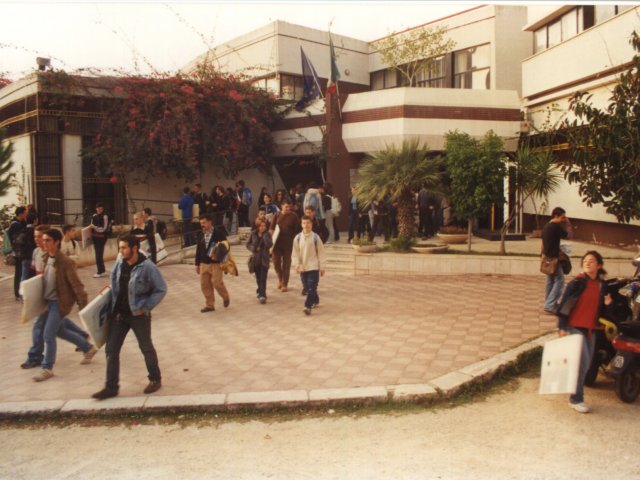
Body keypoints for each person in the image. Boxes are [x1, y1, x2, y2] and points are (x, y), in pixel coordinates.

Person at [92, 234, 167, 399]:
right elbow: (116, 280)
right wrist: (109, 290)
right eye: (120, 248)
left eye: (124, 248)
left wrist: (146, 307)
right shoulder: (120, 262)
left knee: (146, 347)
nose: (121, 251)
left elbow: (161, 289)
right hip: (119, 314)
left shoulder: (147, 267)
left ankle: (155, 379)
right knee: (111, 349)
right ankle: (111, 387)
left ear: (134, 248)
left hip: (138, 315)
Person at [20, 225, 92, 370]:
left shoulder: (65, 262)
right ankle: (87, 347)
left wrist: (83, 307)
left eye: (47, 240)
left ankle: (47, 368)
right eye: (43, 239)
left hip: (58, 303)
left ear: (57, 242)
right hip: (47, 303)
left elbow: (78, 287)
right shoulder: (47, 258)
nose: (43, 243)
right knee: (60, 331)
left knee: (48, 335)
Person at [556, 251, 612, 414]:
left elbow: (604, 311)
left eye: (592, 261)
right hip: (574, 327)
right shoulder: (577, 283)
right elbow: (564, 306)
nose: (587, 263)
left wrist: (608, 304)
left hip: (591, 329)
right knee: (584, 362)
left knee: (585, 365)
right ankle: (576, 399)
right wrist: (562, 327)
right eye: (585, 261)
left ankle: (573, 392)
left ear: (599, 265)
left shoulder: (602, 285)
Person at [195, 215, 231, 312]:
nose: (202, 225)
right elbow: (198, 250)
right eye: (201, 223)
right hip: (203, 263)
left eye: (204, 223)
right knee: (205, 285)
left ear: (210, 222)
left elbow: (226, 246)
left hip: (216, 264)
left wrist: (219, 255)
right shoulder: (200, 234)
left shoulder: (218, 234)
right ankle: (210, 305)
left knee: (217, 283)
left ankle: (225, 296)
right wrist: (197, 264)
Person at [292, 215, 327, 315]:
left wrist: (322, 267)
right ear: (301, 224)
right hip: (303, 267)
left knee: (311, 287)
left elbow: (321, 253)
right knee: (307, 288)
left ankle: (307, 306)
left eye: (308, 223)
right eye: (304, 223)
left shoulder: (316, 238)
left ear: (311, 224)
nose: (306, 225)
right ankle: (315, 300)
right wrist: (296, 264)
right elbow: (295, 253)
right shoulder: (297, 238)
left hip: (314, 266)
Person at [542, 207, 573, 313]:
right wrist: (568, 224)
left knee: (550, 281)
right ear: (556, 216)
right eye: (562, 217)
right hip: (554, 259)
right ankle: (550, 304)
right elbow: (568, 235)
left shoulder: (547, 226)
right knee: (560, 281)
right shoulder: (555, 226)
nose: (564, 219)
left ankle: (549, 303)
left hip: (547, 258)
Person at [271, 200, 299, 293]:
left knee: (286, 264)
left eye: (289, 207)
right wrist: (271, 237)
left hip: (288, 244)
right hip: (277, 243)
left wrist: (295, 240)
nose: (287, 208)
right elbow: (271, 228)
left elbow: (297, 230)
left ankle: (285, 283)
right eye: (286, 206)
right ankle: (280, 278)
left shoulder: (294, 216)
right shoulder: (277, 215)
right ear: (281, 206)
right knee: (276, 263)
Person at [247, 218, 273, 304]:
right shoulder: (253, 234)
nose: (263, 227)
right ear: (257, 226)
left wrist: (265, 236)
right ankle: (259, 290)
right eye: (261, 226)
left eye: (264, 226)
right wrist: (253, 248)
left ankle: (263, 295)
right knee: (258, 277)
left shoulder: (267, 234)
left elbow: (270, 244)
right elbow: (247, 244)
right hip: (256, 259)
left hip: (264, 259)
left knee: (263, 278)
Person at [8, 206, 27, 300]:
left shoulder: (21, 222)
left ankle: (19, 292)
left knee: (20, 272)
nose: (26, 214)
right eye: (25, 212)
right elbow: (18, 239)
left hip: (20, 251)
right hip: (18, 252)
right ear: (20, 213)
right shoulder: (15, 225)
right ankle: (17, 293)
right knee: (19, 272)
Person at [90, 202, 110, 278]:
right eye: (98, 209)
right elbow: (91, 226)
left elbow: (104, 229)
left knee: (98, 255)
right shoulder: (94, 216)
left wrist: (95, 228)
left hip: (101, 237)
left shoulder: (105, 216)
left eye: (101, 209)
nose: (99, 210)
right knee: (98, 255)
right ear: (96, 209)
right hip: (95, 237)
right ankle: (102, 271)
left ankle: (99, 272)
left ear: (103, 209)